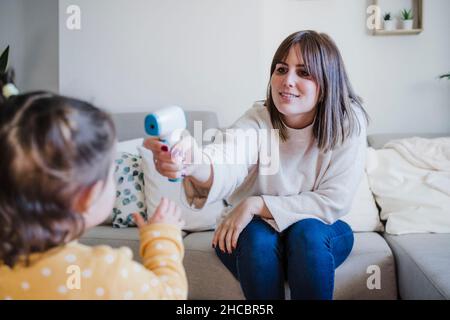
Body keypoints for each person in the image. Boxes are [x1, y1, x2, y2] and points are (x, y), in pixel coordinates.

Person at [145, 30, 369, 300]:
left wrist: (256, 204)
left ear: (326, 85)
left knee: (307, 231)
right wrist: (192, 162)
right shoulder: (257, 120)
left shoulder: (348, 122)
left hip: (320, 234)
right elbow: (228, 159)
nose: (288, 81)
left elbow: (334, 200)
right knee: (256, 239)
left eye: (304, 73)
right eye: (281, 69)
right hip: (255, 235)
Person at [0, 91, 187, 300]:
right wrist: (162, 240)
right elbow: (171, 296)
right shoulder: (105, 274)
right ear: (88, 196)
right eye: (111, 171)